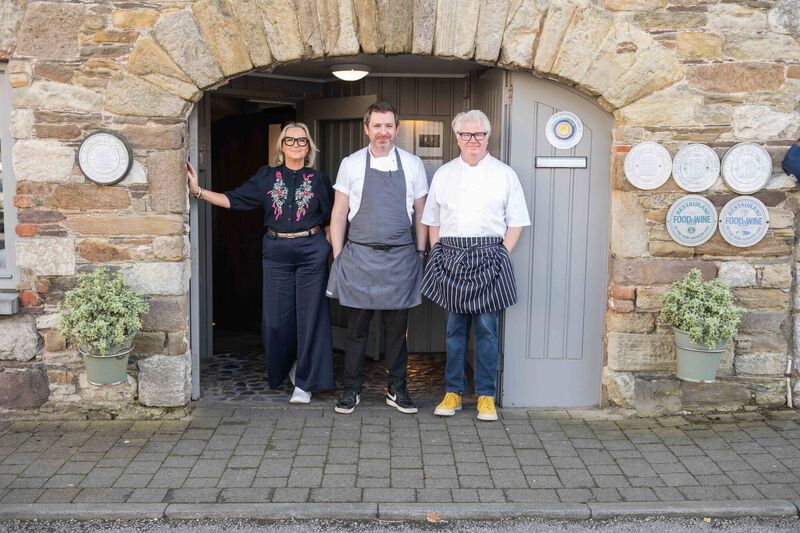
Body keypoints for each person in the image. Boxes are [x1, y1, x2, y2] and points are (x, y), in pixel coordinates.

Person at [186, 122, 334, 404]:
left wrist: (328, 249)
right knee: (277, 321)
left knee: (310, 317)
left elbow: (331, 218)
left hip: (311, 250)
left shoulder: (318, 179)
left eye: (302, 141)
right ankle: (287, 367)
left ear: (309, 147)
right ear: (281, 145)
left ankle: (304, 381)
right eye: (290, 141)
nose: (295, 146)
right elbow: (235, 199)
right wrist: (198, 192)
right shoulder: (267, 177)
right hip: (276, 249)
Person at [421, 109, 531, 421]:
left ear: (487, 136)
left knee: (487, 331)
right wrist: (438, 253)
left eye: (479, 134)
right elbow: (433, 221)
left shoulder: (504, 174)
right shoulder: (444, 173)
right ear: (457, 137)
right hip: (451, 256)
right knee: (454, 331)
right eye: (466, 134)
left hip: (490, 256)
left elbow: (517, 222)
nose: (473, 140)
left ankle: (486, 396)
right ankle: (452, 392)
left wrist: (502, 255)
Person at [327, 101, 428, 414]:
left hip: (401, 259)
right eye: (377, 126)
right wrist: (339, 255)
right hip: (360, 259)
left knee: (396, 332)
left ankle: (397, 389)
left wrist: (421, 252)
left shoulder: (412, 164)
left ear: (396, 129)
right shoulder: (351, 163)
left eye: (388, 126)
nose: (383, 132)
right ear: (366, 128)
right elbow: (340, 212)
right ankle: (351, 390)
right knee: (356, 332)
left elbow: (422, 212)